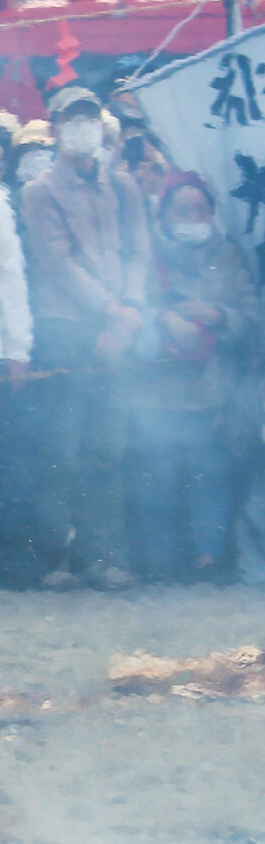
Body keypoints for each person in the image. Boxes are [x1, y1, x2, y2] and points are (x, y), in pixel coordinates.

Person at [19, 82, 145, 589]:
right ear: (53, 128)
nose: (83, 126)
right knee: (61, 447)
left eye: (90, 117)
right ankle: (56, 556)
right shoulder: (39, 191)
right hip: (66, 328)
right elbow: (56, 262)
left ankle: (103, 555)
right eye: (72, 117)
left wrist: (130, 309)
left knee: (108, 446)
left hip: (121, 325)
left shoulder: (125, 186)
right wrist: (112, 311)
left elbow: (140, 250)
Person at [134, 173, 258, 580]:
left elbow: (254, 318)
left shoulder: (228, 254)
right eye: (182, 210)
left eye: (201, 209)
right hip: (156, 387)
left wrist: (220, 316)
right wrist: (165, 320)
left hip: (214, 385)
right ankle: (160, 561)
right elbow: (135, 300)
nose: (193, 217)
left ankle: (208, 557)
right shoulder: (147, 252)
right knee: (159, 471)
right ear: (165, 214)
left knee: (212, 473)